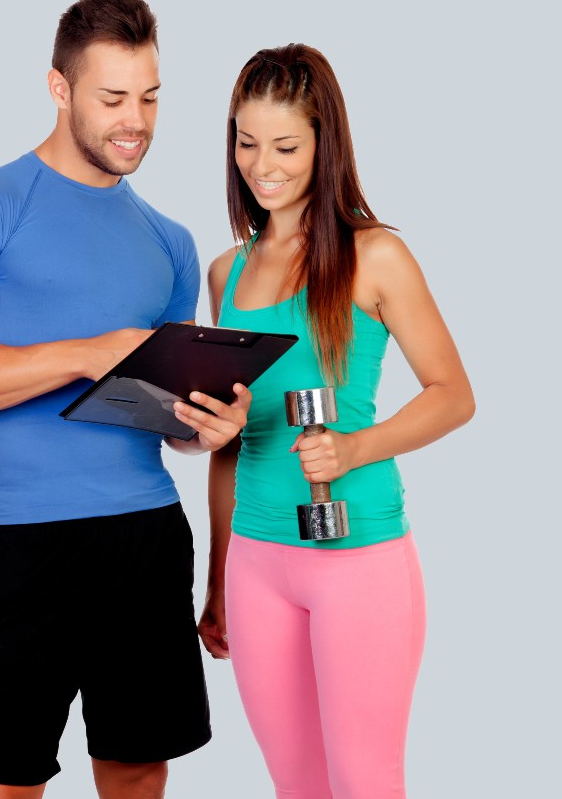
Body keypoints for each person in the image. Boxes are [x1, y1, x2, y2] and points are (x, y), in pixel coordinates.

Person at [0, 0, 251, 799]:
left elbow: (166, 420)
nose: (137, 120)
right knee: (5, 782)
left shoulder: (170, 240)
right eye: (113, 98)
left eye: (152, 97)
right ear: (59, 90)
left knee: (135, 772)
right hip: (27, 542)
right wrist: (84, 353)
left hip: (146, 538)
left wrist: (209, 426)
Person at [195, 44, 475, 799]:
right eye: (246, 143)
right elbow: (229, 446)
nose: (263, 165)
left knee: (364, 782)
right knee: (297, 786)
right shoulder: (227, 272)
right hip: (256, 562)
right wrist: (217, 576)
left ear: (325, 144)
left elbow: (453, 393)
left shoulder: (376, 255)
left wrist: (355, 447)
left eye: (285, 146)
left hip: (360, 558)